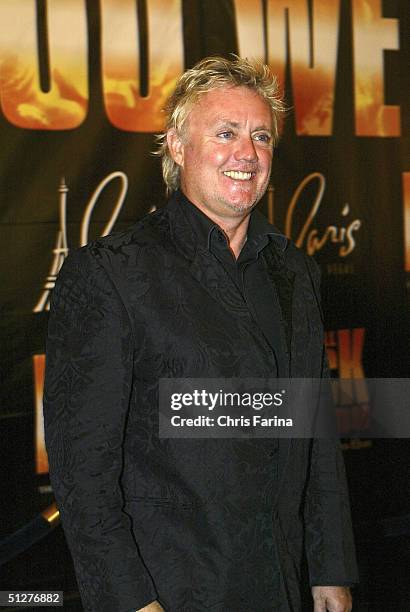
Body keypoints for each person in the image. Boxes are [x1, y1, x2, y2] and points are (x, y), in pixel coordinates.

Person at [44, 56, 358, 612]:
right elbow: (84, 473)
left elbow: (316, 431)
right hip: (168, 591)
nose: (247, 152)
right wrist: (131, 602)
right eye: (225, 132)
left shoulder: (295, 272)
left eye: (261, 136)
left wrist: (329, 567)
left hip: (279, 583)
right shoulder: (110, 274)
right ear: (176, 146)